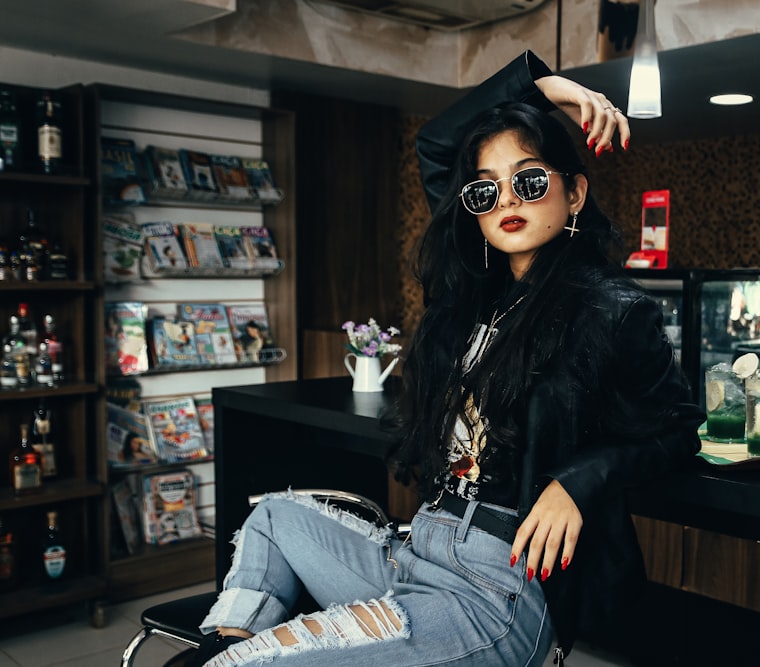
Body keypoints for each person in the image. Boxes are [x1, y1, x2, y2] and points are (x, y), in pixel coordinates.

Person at [187, 50, 703, 667]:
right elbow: (438, 143)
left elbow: (678, 431)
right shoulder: (473, 296)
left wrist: (578, 481)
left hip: (498, 590)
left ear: (574, 194)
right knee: (271, 518)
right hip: (417, 553)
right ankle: (227, 642)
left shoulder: (612, 310)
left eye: (531, 180)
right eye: (487, 189)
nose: (508, 198)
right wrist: (546, 84)